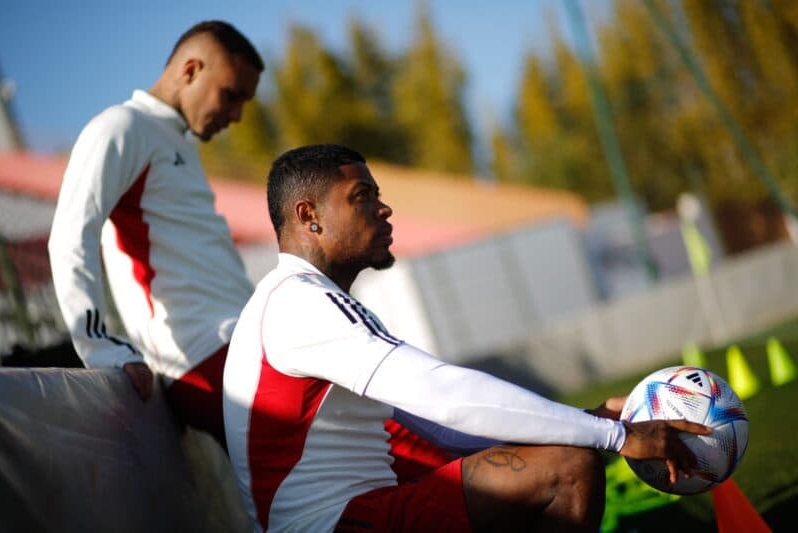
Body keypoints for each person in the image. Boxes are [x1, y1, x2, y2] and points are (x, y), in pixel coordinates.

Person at [223, 144, 711, 532]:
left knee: (548, 457)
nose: (384, 207)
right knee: (567, 467)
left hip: (363, 511)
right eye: (362, 196)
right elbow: (443, 396)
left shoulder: (303, 300)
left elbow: (437, 427)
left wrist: (586, 420)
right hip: (338, 524)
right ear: (309, 215)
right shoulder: (299, 303)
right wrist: (616, 436)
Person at [48, 20, 264, 449]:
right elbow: (71, 234)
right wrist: (102, 348)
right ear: (191, 70)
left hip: (245, 343)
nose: (237, 115)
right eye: (231, 95)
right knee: (359, 447)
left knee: (357, 452)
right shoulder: (121, 127)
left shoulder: (179, 143)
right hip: (204, 360)